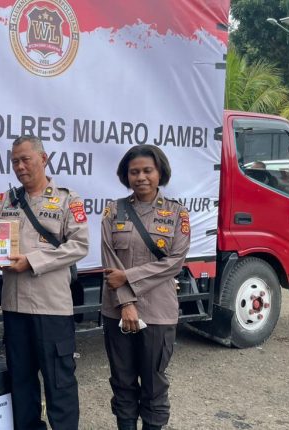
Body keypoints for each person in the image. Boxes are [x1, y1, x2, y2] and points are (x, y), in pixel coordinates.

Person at [0, 135, 89, 429]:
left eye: (25, 159)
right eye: (15, 161)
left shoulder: (68, 199)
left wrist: (32, 261)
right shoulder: (7, 200)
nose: (19, 166)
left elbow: (79, 246)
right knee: (20, 381)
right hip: (15, 306)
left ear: (43, 159)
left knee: (59, 382)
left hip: (51, 307)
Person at [100, 145, 190, 430]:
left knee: (154, 384)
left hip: (158, 312)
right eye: (134, 172)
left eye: (147, 171)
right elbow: (109, 261)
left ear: (159, 172)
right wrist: (127, 303)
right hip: (117, 311)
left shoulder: (177, 213)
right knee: (122, 381)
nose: (140, 177)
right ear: (126, 175)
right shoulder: (113, 210)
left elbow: (174, 262)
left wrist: (128, 276)